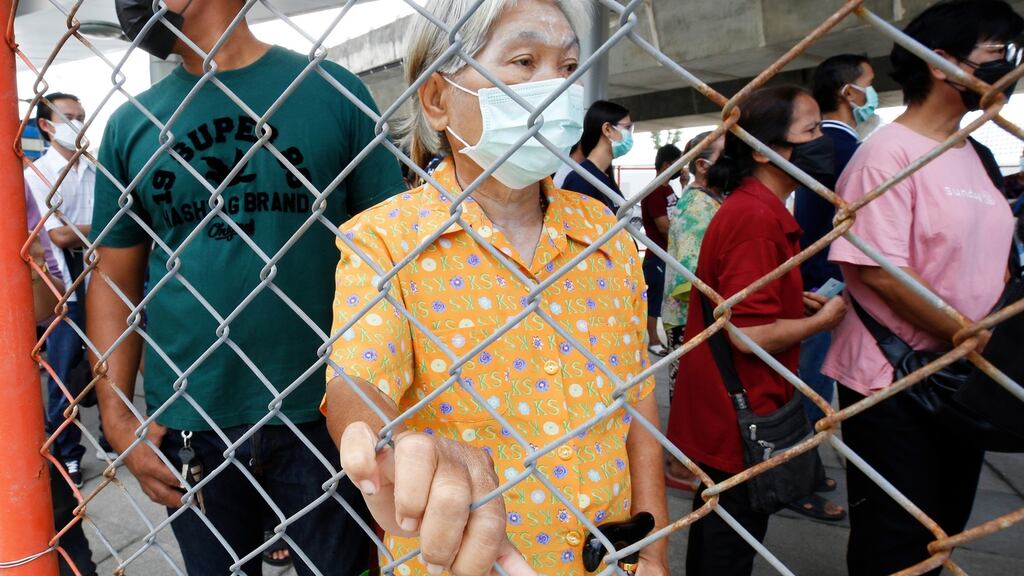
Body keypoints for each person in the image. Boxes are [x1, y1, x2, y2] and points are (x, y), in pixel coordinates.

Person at [324, 1, 669, 574]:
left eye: (566, 67)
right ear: (438, 100)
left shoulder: (605, 234)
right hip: (463, 559)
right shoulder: (384, 240)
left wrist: (654, 552)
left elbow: (637, 408)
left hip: (610, 559)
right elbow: (356, 383)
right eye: (523, 60)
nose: (554, 87)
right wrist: (392, 444)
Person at [87, 1, 405, 574]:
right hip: (190, 417)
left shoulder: (331, 92)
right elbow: (114, 278)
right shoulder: (132, 123)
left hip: (325, 411)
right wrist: (116, 418)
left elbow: (390, 256)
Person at [823, 2, 1022, 574]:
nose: (1011, 69)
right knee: (895, 539)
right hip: (897, 383)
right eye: (998, 56)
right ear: (942, 64)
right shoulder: (885, 155)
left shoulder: (975, 153)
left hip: (966, 376)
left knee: (943, 528)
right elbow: (875, 268)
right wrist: (972, 338)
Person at [666, 85, 847, 576]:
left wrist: (790, 302)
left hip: (728, 406)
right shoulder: (756, 218)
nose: (821, 142)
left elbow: (743, 306)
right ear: (766, 148)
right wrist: (821, 321)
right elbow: (749, 335)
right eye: (810, 131)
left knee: (720, 533)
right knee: (729, 541)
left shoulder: (756, 207)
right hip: (738, 414)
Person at [24, 92, 109, 487]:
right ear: (46, 125)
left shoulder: (94, 170)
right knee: (63, 380)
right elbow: (56, 236)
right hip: (64, 294)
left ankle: (111, 435)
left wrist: (85, 233)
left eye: (81, 116)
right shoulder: (35, 175)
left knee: (108, 367)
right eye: (69, 117)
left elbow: (113, 223)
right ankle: (66, 456)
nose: (78, 124)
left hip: (104, 285)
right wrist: (101, 230)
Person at [660, 131, 723, 492]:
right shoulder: (697, 206)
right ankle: (679, 465)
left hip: (698, 314)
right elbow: (692, 273)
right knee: (689, 395)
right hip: (690, 317)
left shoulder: (710, 202)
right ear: (702, 164)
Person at [640, 144, 683, 356]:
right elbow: (664, 226)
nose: (682, 167)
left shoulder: (668, 189)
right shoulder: (655, 190)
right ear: (667, 164)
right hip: (657, 255)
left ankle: (661, 339)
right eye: (679, 162)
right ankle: (653, 340)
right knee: (655, 299)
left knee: (666, 299)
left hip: (669, 255)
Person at [560, 100, 632, 210]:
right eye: (627, 128)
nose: (630, 134)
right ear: (607, 129)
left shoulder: (605, 177)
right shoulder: (580, 180)